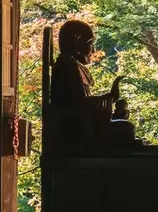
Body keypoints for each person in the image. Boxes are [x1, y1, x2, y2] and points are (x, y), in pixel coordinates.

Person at [46, 20, 128, 153]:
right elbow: (77, 104)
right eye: (90, 44)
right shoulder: (67, 66)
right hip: (74, 132)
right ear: (76, 41)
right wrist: (107, 98)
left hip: (84, 126)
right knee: (126, 130)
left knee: (124, 126)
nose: (93, 50)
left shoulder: (73, 65)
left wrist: (107, 99)